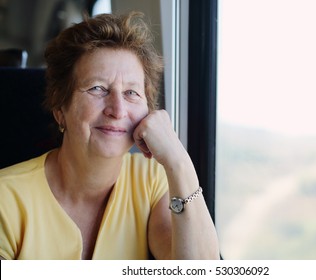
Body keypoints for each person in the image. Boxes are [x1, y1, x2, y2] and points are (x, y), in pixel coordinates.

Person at [0, 12, 219, 260]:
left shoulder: (153, 181)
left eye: (131, 93)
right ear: (60, 110)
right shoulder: (5, 197)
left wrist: (178, 161)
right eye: (97, 88)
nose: (117, 110)